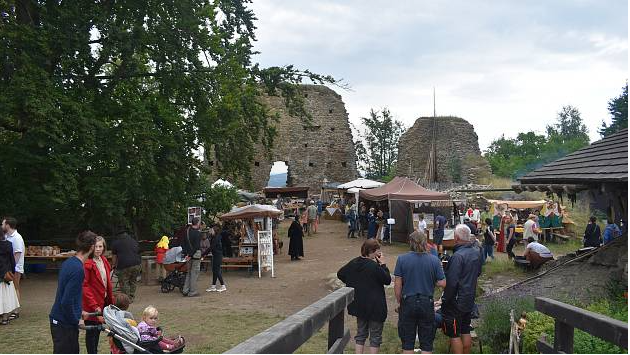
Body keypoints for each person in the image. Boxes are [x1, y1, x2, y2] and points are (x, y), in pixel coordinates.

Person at [394, 231, 446, 354]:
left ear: (410, 243)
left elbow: (397, 285)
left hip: (408, 301)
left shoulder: (402, 259)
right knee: (427, 343)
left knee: (407, 343)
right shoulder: (434, 260)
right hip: (426, 302)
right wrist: (431, 280)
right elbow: (442, 283)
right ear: (425, 243)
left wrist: (399, 302)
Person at [337, 239, 391, 354]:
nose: (379, 254)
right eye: (378, 251)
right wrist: (383, 264)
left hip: (359, 304)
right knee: (375, 337)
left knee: (360, 334)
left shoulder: (354, 263)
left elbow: (340, 273)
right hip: (375, 306)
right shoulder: (375, 267)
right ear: (372, 251)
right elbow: (387, 279)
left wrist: (353, 282)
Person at [49, 231, 96, 354]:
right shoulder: (78, 269)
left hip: (60, 320)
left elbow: (71, 296)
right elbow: (66, 301)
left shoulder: (69, 262)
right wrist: (77, 319)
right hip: (63, 323)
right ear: (91, 247)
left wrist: (79, 311)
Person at [440, 224, 482, 354]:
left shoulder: (458, 256)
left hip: (457, 300)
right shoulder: (476, 252)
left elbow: (452, 282)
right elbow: (478, 273)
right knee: (465, 328)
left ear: (456, 238)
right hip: (469, 297)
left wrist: (445, 299)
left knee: (454, 333)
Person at [82, 235, 114, 354]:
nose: (98, 249)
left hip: (103, 301)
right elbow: (84, 286)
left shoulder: (104, 260)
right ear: (91, 248)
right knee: (92, 333)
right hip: (92, 304)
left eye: (100, 246)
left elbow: (107, 282)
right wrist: (94, 305)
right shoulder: (87, 264)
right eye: (95, 247)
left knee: (98, 331)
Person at [111, 228, 142, 302]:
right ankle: (131, 297)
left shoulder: (116, 243)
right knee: (133, 280)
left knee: (124, 282)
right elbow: (138, 252)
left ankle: (126, 299)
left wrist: (113, 265)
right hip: (137, 264)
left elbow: (114, 256)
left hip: (124, 265)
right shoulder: (134, 241)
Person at [2, 216, 24, 311]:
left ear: (7, 225)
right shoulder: (6, 236)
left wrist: (11, 267)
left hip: (15, 268)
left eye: (3, 223)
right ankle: (11, 309)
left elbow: (17, 254)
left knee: (15, 288)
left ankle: (16, 311)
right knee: (11, 289)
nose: (2, 225)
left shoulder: (17, 237)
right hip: (9, 267)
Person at [0, 232, 19, 325]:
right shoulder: (8, 244)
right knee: (6, 297)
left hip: (3, 275)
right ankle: (5, 318)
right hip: (6, 274)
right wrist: (12, 272)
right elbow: (12, 260)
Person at [182, 217, 202, 297]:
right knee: (194, 273)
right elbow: (196, 246)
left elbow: (183, 243)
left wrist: (187, 254)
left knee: (189, 272)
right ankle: (192, 291)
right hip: (195, 255)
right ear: (197, 223)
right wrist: (190, 255)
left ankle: (185, 290)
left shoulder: (187, 231)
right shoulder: (197, 233)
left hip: (188, 255)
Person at [206, 224, 227, 293]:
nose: (209, 230)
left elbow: (211, 247)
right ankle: (213, 286)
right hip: (215, 255)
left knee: (217, 271)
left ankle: (223, 286)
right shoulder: (214, 237)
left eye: (211, 229)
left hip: (218, 255)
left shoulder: (217, 237)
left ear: (214, 230)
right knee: (214, 271)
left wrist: (203, 254)